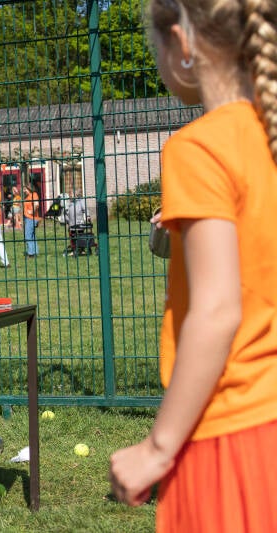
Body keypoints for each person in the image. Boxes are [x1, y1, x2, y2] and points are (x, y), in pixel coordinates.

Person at [109, 2, 277, 532]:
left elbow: (219, 308)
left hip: (231, 437)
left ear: (182, 43)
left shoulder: (198, 147)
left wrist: (158, 447)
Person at [22, 183, 42, 258]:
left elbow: (36, 204)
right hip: (29, 218)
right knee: (32, 236)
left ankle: (31, 253)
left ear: (29, 188)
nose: (24, 191)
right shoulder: (28, 196)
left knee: (28, 236)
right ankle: (35, 252)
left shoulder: (34, 194)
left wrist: (32, 211)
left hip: (31, 218)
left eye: (25, 189)